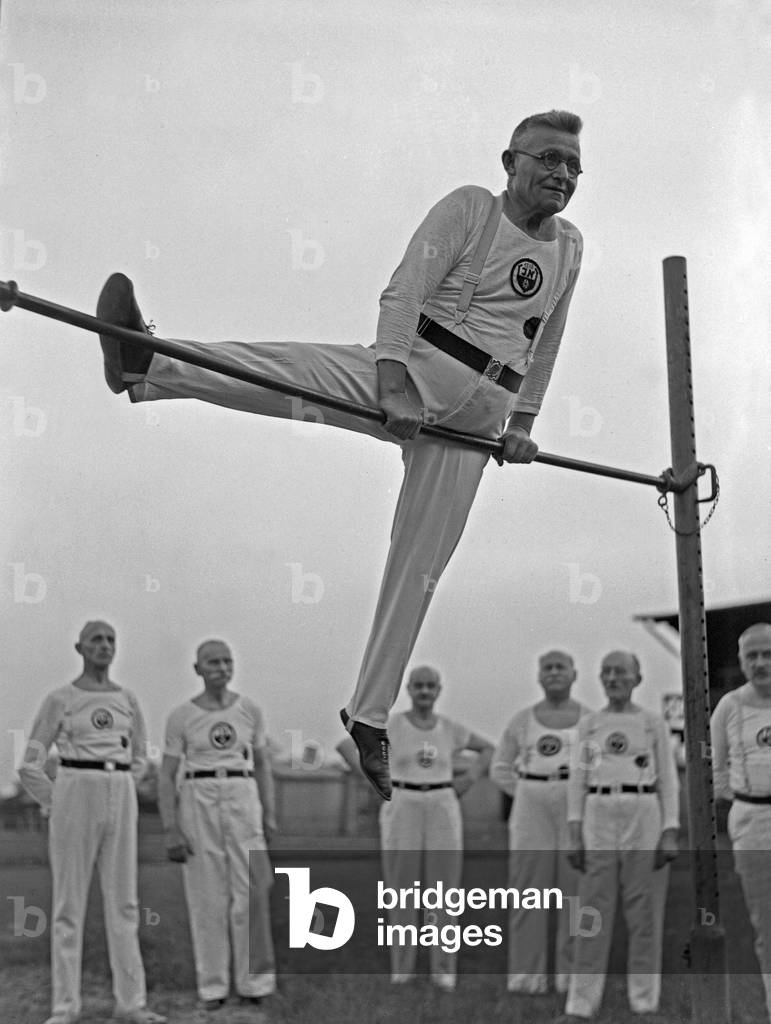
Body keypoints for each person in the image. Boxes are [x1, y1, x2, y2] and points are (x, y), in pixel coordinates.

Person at [97, 110, 585, 800]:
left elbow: (548, 339)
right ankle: (147, 365)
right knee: (291, 374)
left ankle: (367, 715)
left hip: (479, 420)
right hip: (413, 370)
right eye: (547, 159)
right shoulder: (471, 208)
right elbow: (404, 291)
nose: (560, 175)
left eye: (571, 165)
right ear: (510, 162)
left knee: (419, 568)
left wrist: (524, 422)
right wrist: (390, 382)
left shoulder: (569, 245)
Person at [17, 621, 166, 1024]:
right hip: (73, 787)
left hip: (118, 789)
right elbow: (30, 763)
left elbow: (139, 757)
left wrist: (122, 787)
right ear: (79, 647)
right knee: (69, 902)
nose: (104, 646)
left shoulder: (128, 700)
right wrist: (56, 801)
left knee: (125, 901)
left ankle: (131, 1003)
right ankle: (66, 1007)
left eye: (111, 639)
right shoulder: (59, 699)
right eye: (96, 639)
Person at [338, 664, 493, 989]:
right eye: (418, 685)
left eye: (430, 686)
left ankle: (443, 970)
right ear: (408, 689)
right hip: (403, 801)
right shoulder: (392, 725)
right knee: (402, 889)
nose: (424, 691)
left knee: (445, 891)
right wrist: (372, 781)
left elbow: (487, 748)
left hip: (441, 801)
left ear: (438, 690)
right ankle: (403, 969)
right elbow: (347, 748)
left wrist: (472, 776)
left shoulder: (450, 728)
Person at [557, 651, 680, 1022]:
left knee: (643, 912)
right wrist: (575, 831)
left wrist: (669, 828)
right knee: (591, 911)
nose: (613, 679)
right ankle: (580, 1005)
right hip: (599, 811)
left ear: (637, 678)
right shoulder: (590, 724)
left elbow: (668, 780)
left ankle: (644, 1002)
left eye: (621, 672)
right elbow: (578, 779)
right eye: (606, 672)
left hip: (643, 811)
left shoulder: (651, 722)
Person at [157, 639, 276, 1014]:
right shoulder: (181, 716)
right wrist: (171, 828)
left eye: (226, 661)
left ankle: (254, 983)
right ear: (197, 669)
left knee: (252, 893)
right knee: (208, 895)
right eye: (212, 662)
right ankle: (213, 986)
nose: (221, 668)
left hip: (242, 793)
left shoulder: (249, 710)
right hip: (198, 793)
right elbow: (166, 775)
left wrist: (268, 815)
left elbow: (263, 765)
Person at [490, 650, 590, 995]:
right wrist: (526, 792)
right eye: (546, 668)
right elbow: (500, 766)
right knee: (528, 892)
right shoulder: (522, 720)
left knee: (576, 893)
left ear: (574, 674)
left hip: (574, 804)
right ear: (539, 676)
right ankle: (526, 978)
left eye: (560, 667)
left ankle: (572, 978)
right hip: (531, 800)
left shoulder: (589, 719)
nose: (553, 673)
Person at [710, 622, 771, 1023]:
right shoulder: (729, 707)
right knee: (766, 921)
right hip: (752, 820)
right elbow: (715, 771)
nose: (761, 662)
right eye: (752, 655)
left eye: (768, 653)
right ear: (740, 661)